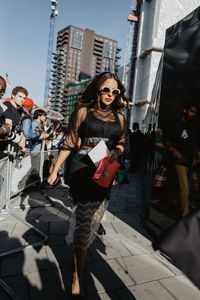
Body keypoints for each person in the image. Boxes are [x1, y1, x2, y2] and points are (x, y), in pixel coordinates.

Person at [48, 71, 128, 299]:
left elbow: (123, 142)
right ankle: (77, 275)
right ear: (98, 89)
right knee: (84, 223)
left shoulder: (120, 118)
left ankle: (78, 247)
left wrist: (117, 151)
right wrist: (54, 171)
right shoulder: (83, 112)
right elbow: (70, 141)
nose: (111, 94)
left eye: (115, 91)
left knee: (94, 218)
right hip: (82, 170)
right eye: (106, 89)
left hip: (105, 172)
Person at [166, 103, 198, 217]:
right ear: (185, 110)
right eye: (191, 111)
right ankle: (186, 215)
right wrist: (172, 150)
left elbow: (194, 144)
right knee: (185, 187)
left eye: (194, 112)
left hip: (188, 160)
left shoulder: (193, 126)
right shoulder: (176, 123)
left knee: (181, 185)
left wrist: (194, 158)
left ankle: (173, 203)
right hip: (178, 159)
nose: (193, 114)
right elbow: (167, 139)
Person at [11, 98, 38, 193]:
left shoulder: (20, 113)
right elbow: (26, 133)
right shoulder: (26, 117)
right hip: (24, 145)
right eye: (32, 106)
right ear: (29, 106)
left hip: (19, 143)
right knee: (25, 165)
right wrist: (36, 135)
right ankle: (13, 185)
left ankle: (13, 185)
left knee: (18, 165)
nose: (33, 108)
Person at [0, 86, 28, 156]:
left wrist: (22, 135)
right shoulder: (8, 106)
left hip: (10, 148)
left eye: (24, 98)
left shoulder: (18, 111)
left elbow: (16, 128)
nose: (22, 99)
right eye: (20, 96)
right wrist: (19, 139)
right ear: (13, 95)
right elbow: (8, 128)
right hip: (3, 148)